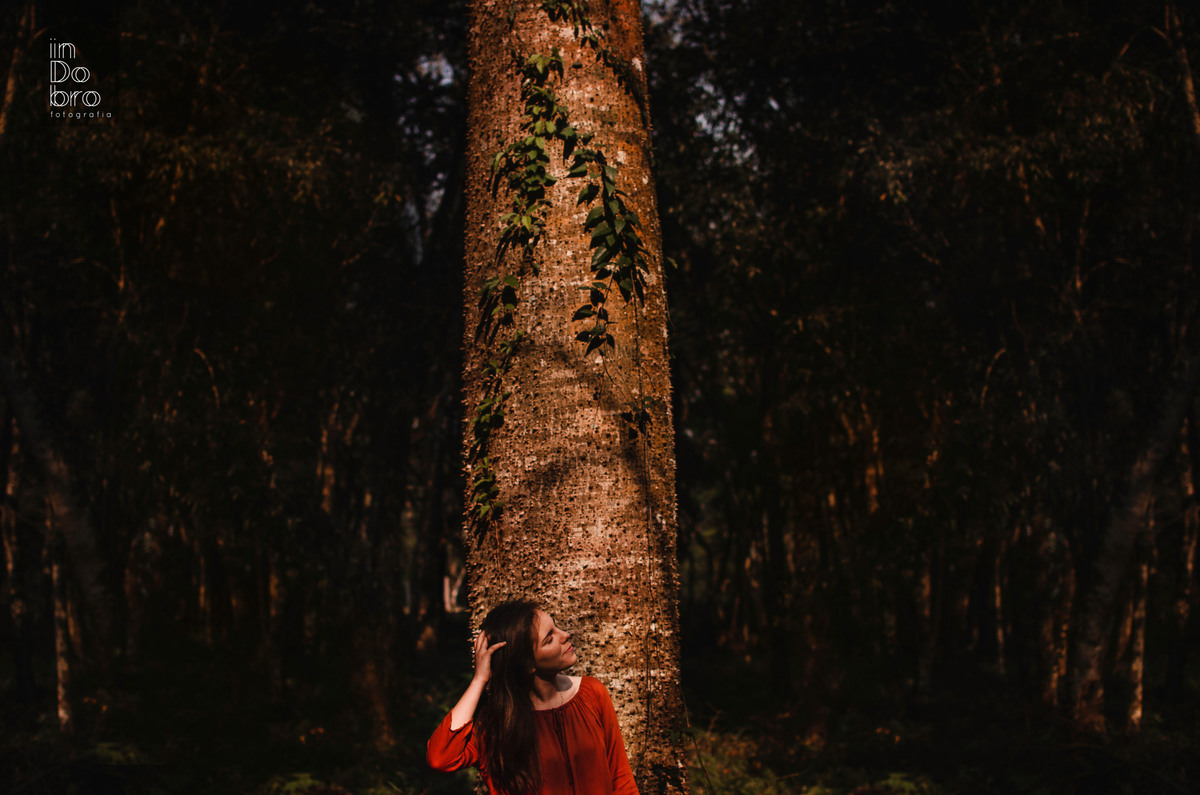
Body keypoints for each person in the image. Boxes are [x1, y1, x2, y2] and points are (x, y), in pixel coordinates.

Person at [426, 599, 639, 794]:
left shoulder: (592, 693)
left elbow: (621, 778)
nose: (565, 635)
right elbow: (440, 758)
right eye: (549, 638)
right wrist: (479, 680)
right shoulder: (495, 725)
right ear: (527, 664)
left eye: (556, 627)